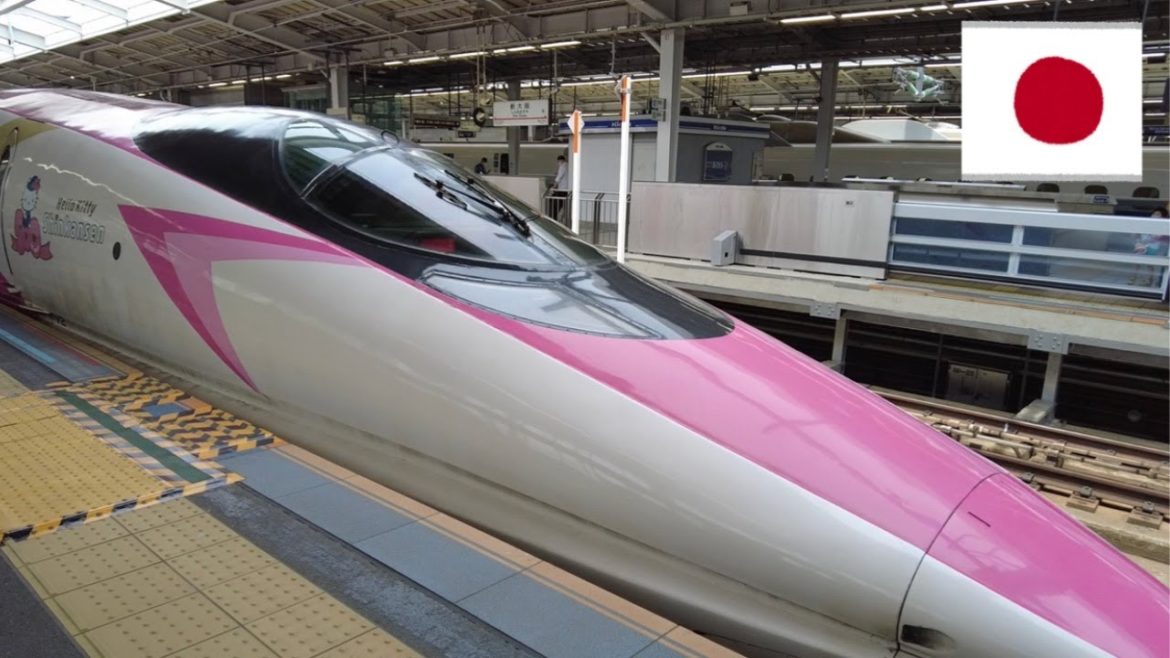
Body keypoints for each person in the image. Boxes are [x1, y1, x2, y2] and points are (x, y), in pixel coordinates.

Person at [1132, 206, 1169, 288]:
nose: (1155, 215)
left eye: (1158, 214)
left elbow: (1157, 237)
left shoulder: (1162, 226)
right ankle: (1134, 277)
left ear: (1162, 217)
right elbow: (1138, 233)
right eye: (1154, 214)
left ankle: (1149, 279)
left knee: (1149, 264)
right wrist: (1138, 240)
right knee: (1137, 262)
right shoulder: (1146, 223)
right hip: (1141, 245)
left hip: (1152, 247)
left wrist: (1147, 240)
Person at [548, 154, 569, 221]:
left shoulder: (563, 166)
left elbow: (558, 178)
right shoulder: (568, 165)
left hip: (562, 190)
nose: (558, 164)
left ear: (560, 161)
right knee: (560, 205)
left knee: (555, 205)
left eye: (558, 162)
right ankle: (557, 218)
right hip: (566, 189)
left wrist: (553, 187)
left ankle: (553, 219)